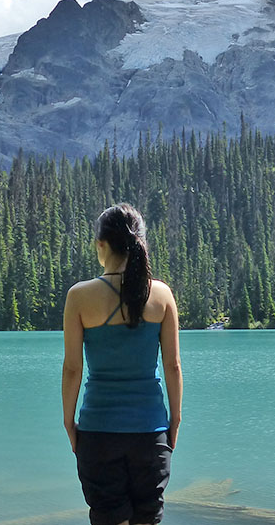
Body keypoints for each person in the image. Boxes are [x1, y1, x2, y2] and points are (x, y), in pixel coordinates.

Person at [62, 203, 183, 525]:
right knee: (147, 518)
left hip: (98, 432)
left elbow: (73, 368)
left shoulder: (80, 296)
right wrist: (175, 420)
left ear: (101, 244)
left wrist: (68, 421)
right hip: (150, 432)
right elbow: (172, 366)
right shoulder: (161, 295)